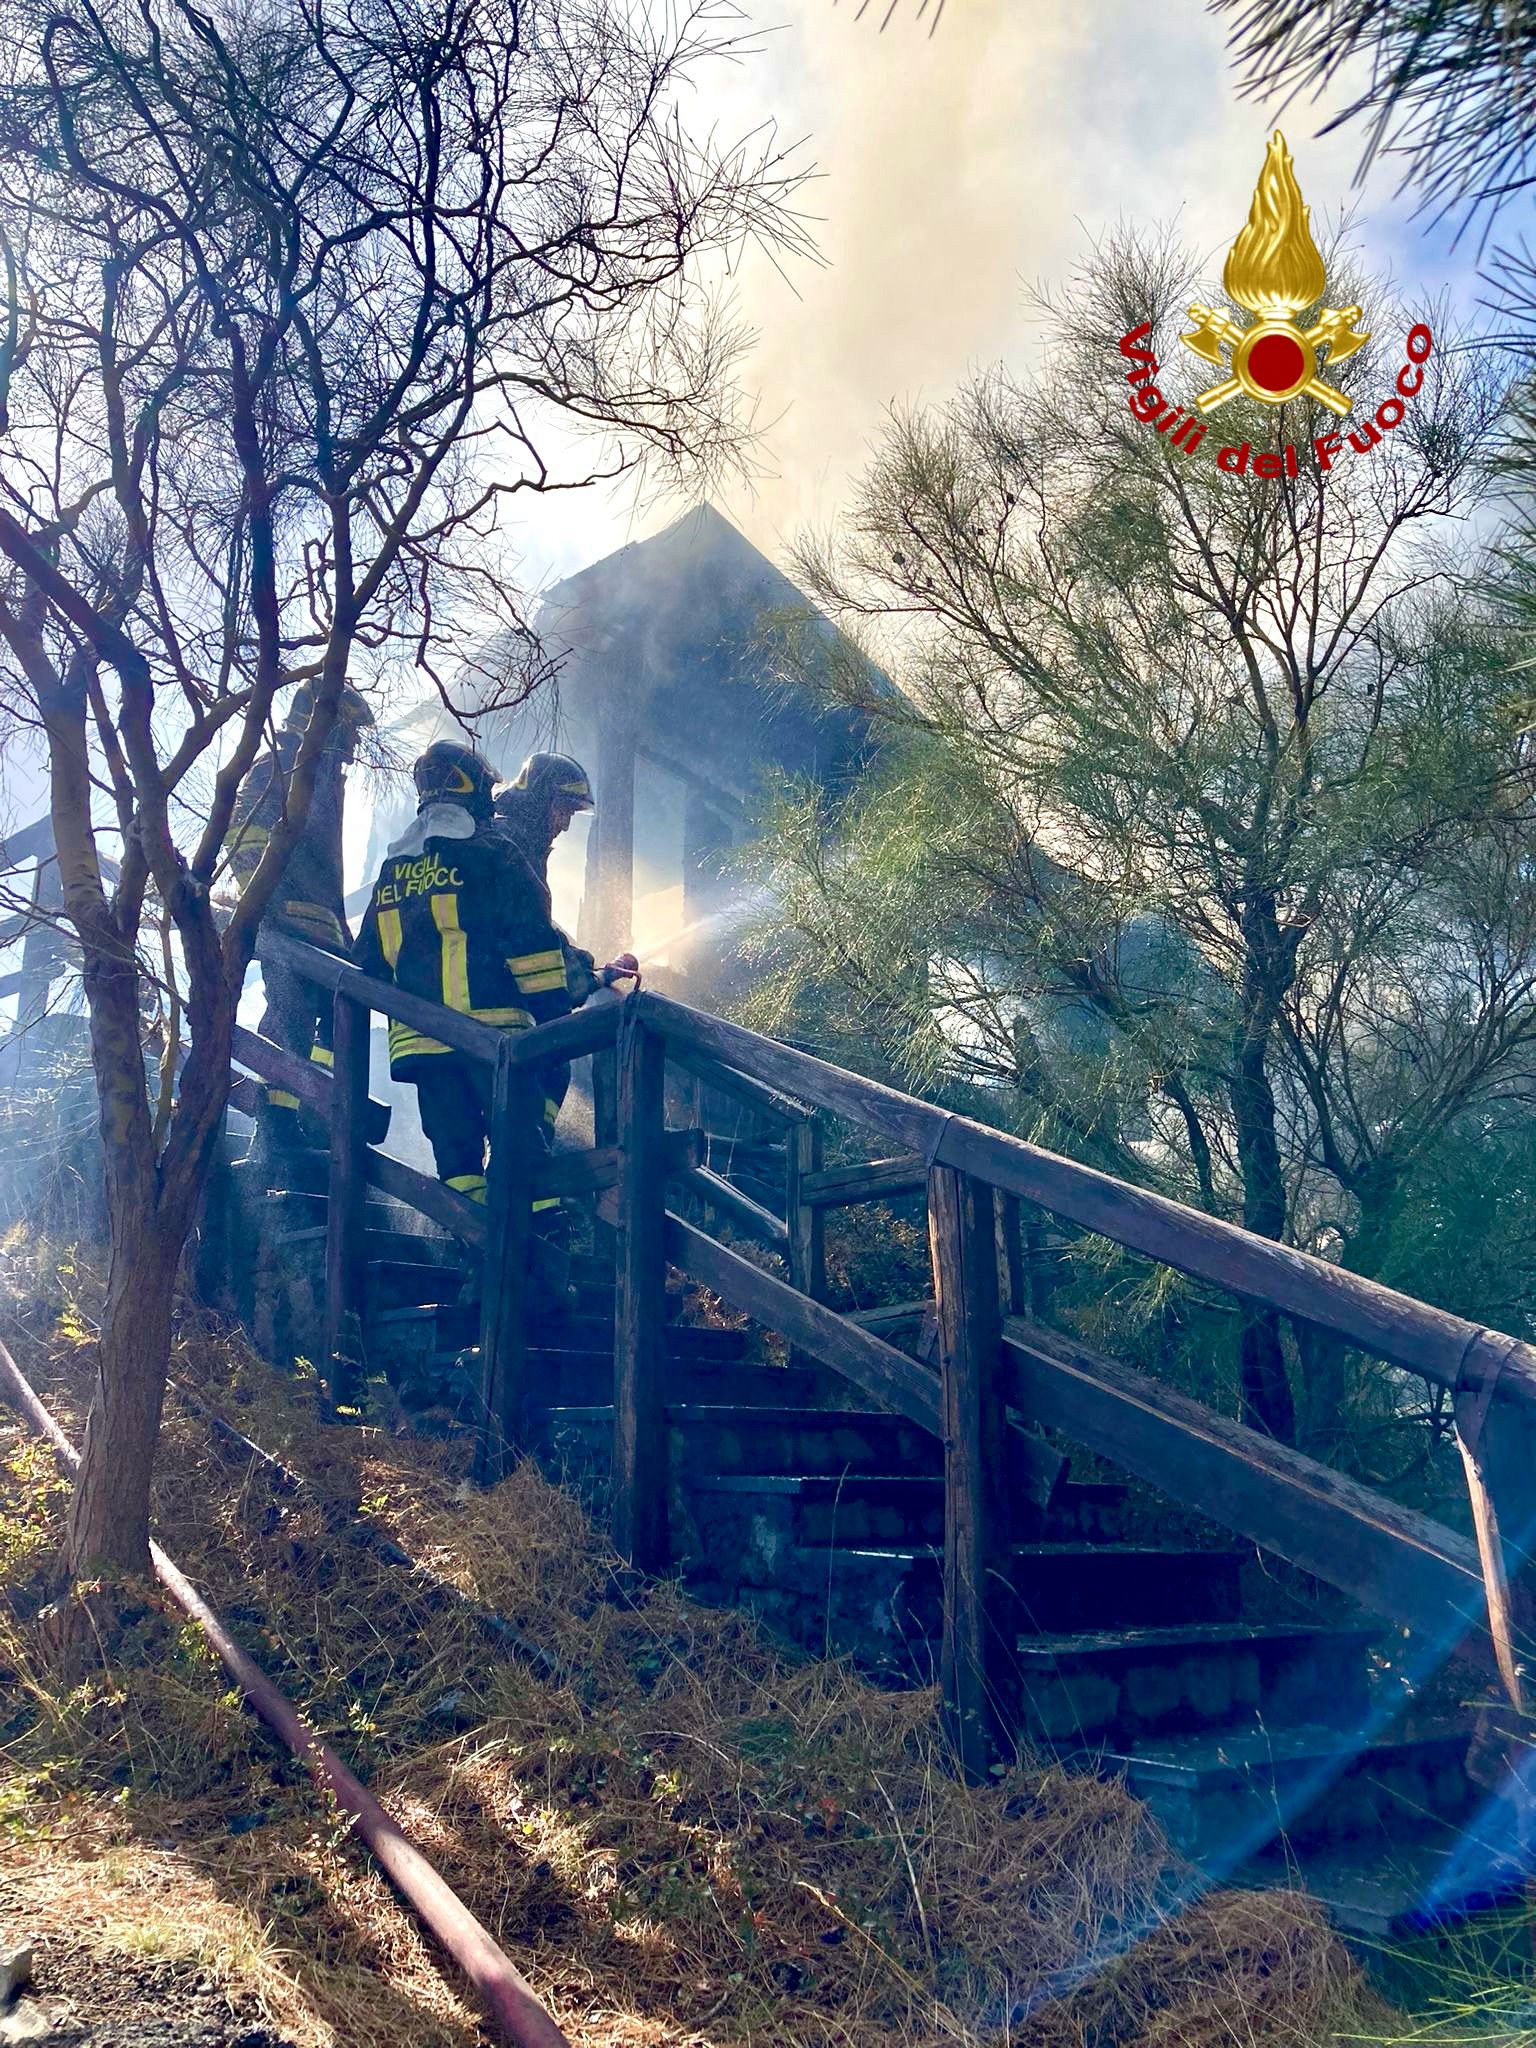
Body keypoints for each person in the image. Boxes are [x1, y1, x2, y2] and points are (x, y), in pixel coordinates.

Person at [353, 740, 573, 1207]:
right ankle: (538, 1253)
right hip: (493, 1042)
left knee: (457, 1164)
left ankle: (473, 1252)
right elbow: (531, 944)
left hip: (418, 1047)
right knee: (521, 1151)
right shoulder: (494, 854)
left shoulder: (394, 869)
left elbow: (367, 962)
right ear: (473, 791)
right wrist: (558, 1016)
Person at [224, 682, 374, 1158]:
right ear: (321, 722)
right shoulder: (279, 767)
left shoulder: (320, 775)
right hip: (288, 931)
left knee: (334, 1026)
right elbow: (244, 840)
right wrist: (273, 907)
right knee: (289, 1019)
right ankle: (277, 1126)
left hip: (322, 934)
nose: (353, 744)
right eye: (348, 729)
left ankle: (310, 1115)